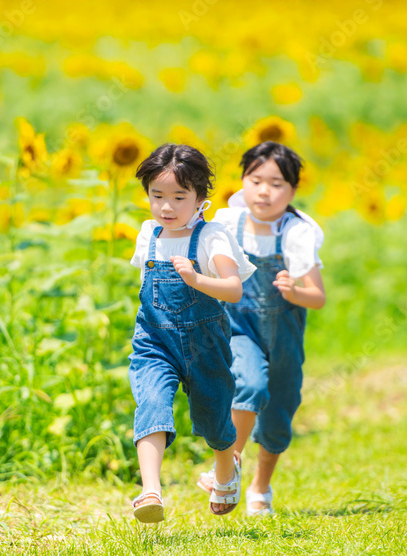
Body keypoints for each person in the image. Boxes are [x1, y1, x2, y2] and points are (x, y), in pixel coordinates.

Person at [128, 143, 256, 523]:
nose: (166, 207)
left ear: (200, 197)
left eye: (179, 197)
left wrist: (196, 278)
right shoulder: (148, 235)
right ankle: (151, 490)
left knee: (215, 419)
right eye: (157, 196)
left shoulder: (210, 236)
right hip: (154, 342)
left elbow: (233, 288)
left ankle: (225, 471)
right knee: (151, 403)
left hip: (205, 344)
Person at [198, 141, 326, 516]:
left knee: (278, 415)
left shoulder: (296, 233)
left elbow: (317, 297)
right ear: (243, 182)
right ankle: (230, 464)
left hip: (283, 333)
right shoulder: (226, 222)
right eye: (255, 181)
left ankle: (261, 486)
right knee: (248, 383)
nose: (264, 191)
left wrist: (294, 291)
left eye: (276, 184)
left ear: (292, 191)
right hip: (239, 327)